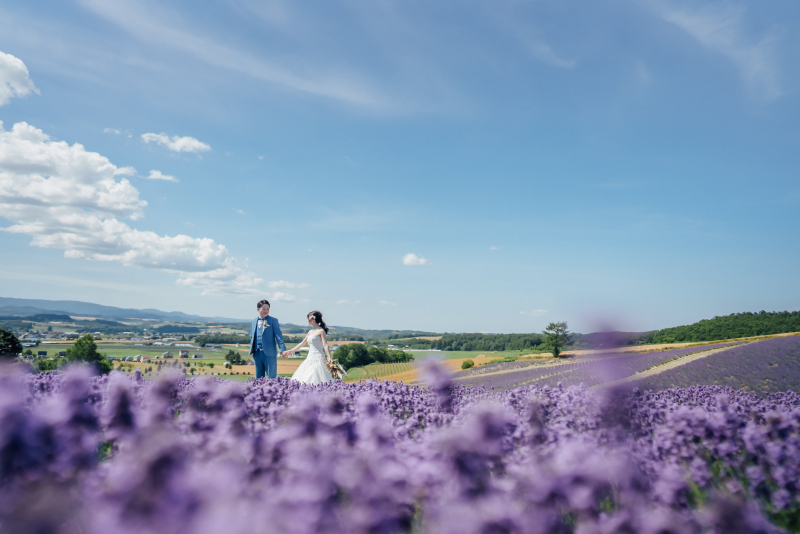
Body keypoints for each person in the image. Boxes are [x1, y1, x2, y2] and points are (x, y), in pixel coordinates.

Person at [282, 310, 334, 385]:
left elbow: (325, 345)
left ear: (313, 319)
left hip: (319, 357)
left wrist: (329, 357)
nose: (307, 320)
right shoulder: (310, 332)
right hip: (310, 357)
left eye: (308, 318)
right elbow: (302, 343)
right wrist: (291, 351)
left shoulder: (321, 331)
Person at [248, 299, 287, 379]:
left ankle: (272, 391)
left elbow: (279, 336)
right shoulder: (253, 321)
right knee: (259, 377)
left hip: (269, 353)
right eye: (264, 309)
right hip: (257, 352)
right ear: (258, 309)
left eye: (267, 309)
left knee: (271, 377)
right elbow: (252, 336)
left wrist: (282, 349)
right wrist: (252, 349)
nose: (266, 311)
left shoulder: (273, 321)